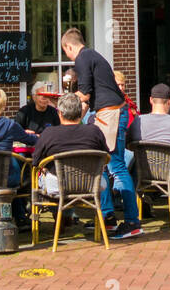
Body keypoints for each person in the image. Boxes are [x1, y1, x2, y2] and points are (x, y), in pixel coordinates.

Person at [61, 28, 142, 238]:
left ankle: (132, 221)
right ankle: (108, 218)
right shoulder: (92, 55)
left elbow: (85, 92)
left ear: (69, 46)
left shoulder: (81, 58)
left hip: (111, 112)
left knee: (116, 166)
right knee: (103, 165)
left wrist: (62, 102)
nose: (67, 57)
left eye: (66, 52)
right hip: (111, 111)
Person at [31, 93, 127, 237]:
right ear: (79, 112)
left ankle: (39, 233)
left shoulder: (49, 133)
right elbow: (105, 157)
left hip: (58, 187)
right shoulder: (94, 131)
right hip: (90, 185)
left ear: (60, 113)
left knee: (39, 177)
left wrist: (44, 167)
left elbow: (35, 161)